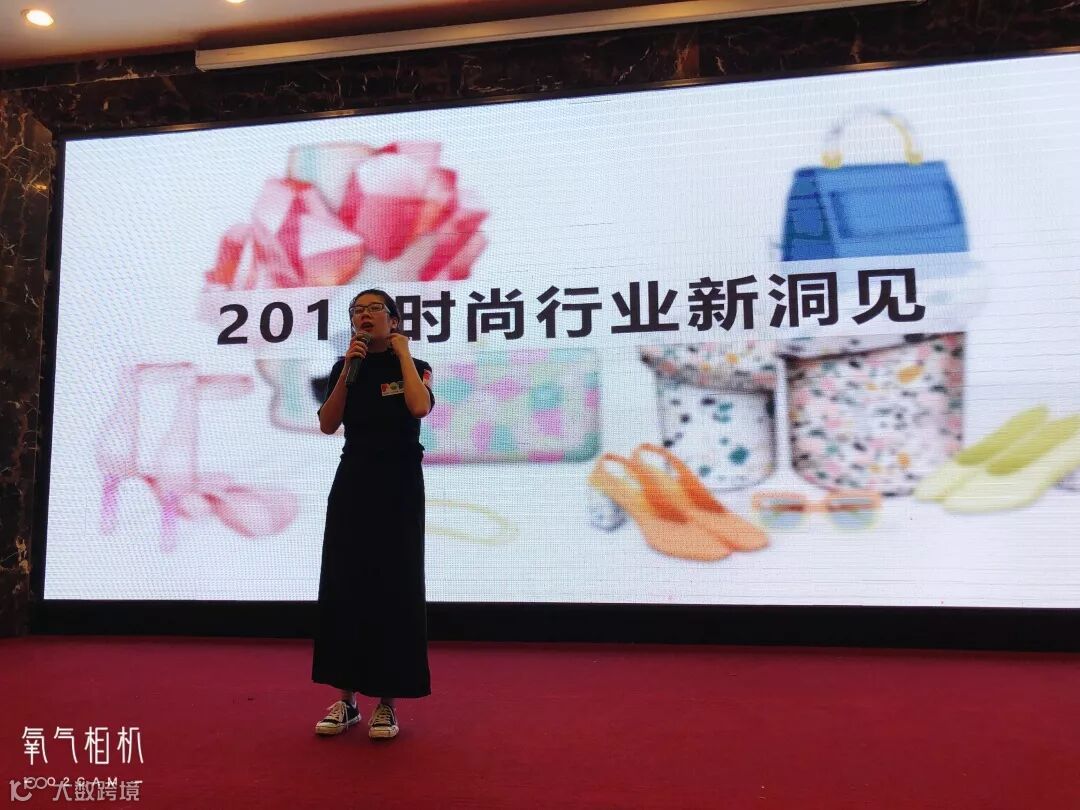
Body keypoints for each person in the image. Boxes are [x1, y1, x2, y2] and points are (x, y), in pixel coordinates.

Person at [311, 288, 435, 740]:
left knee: (394, 587)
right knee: (346, 583)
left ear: (394, 319)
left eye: (374, 309)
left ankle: (386, 704)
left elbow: (419, 406)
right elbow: (328, 424)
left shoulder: (415, 365)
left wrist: (401, 353)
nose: (364, 316)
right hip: (354, 482)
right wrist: (348, 370)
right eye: (357, 311)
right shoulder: (345, 367)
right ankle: (345, 701)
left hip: (399, 486)